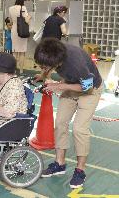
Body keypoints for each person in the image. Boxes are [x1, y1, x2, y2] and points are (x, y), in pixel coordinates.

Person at [34, 38, 103, 189]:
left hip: (90, 89)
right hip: (71, 84)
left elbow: (87, 87)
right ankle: (59, 163)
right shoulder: (53, 50)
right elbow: (47, 64)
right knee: (60, 124)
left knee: (79, 129)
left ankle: (80, 170)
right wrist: (42, 75)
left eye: (44, 66)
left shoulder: (75, 63)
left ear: (56, 62)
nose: (42, 67)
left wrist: (59, 86)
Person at [9, 0, 31, 74]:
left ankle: (13, 69)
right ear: (22, 1)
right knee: (22, 52)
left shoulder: (10, 8)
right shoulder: (23, 8)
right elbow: (27, 21)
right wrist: (29, 16)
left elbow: (10, 21)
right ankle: (21, 70)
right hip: (22, 31)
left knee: (14, 51)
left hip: (14, 30)